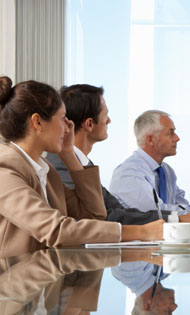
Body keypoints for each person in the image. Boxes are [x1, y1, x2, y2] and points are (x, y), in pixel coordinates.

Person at [0, 77, 162, 258]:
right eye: (62, 119)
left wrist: (69, 154)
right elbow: (55, 230)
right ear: (38, 122)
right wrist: (142, 232)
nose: (68, 128)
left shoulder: (45, 170)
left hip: (44, 281)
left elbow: (93, 215)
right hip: (12, 282)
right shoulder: (5, 170)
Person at [47, 84, 190, 231]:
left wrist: (180, 219)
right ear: (89, 124)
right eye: (106, 115)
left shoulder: (83, 163)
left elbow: (118, 211)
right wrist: (176, 220)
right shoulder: (61, 165)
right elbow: (102, 218)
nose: (109, 120)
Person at [109, 110, 190, 222]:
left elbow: (183, 207)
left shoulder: (167, 171)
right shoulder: (128, 173)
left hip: (164, 236)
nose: (177, 138)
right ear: (150, 140)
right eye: (170, 133)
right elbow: (156, 212)